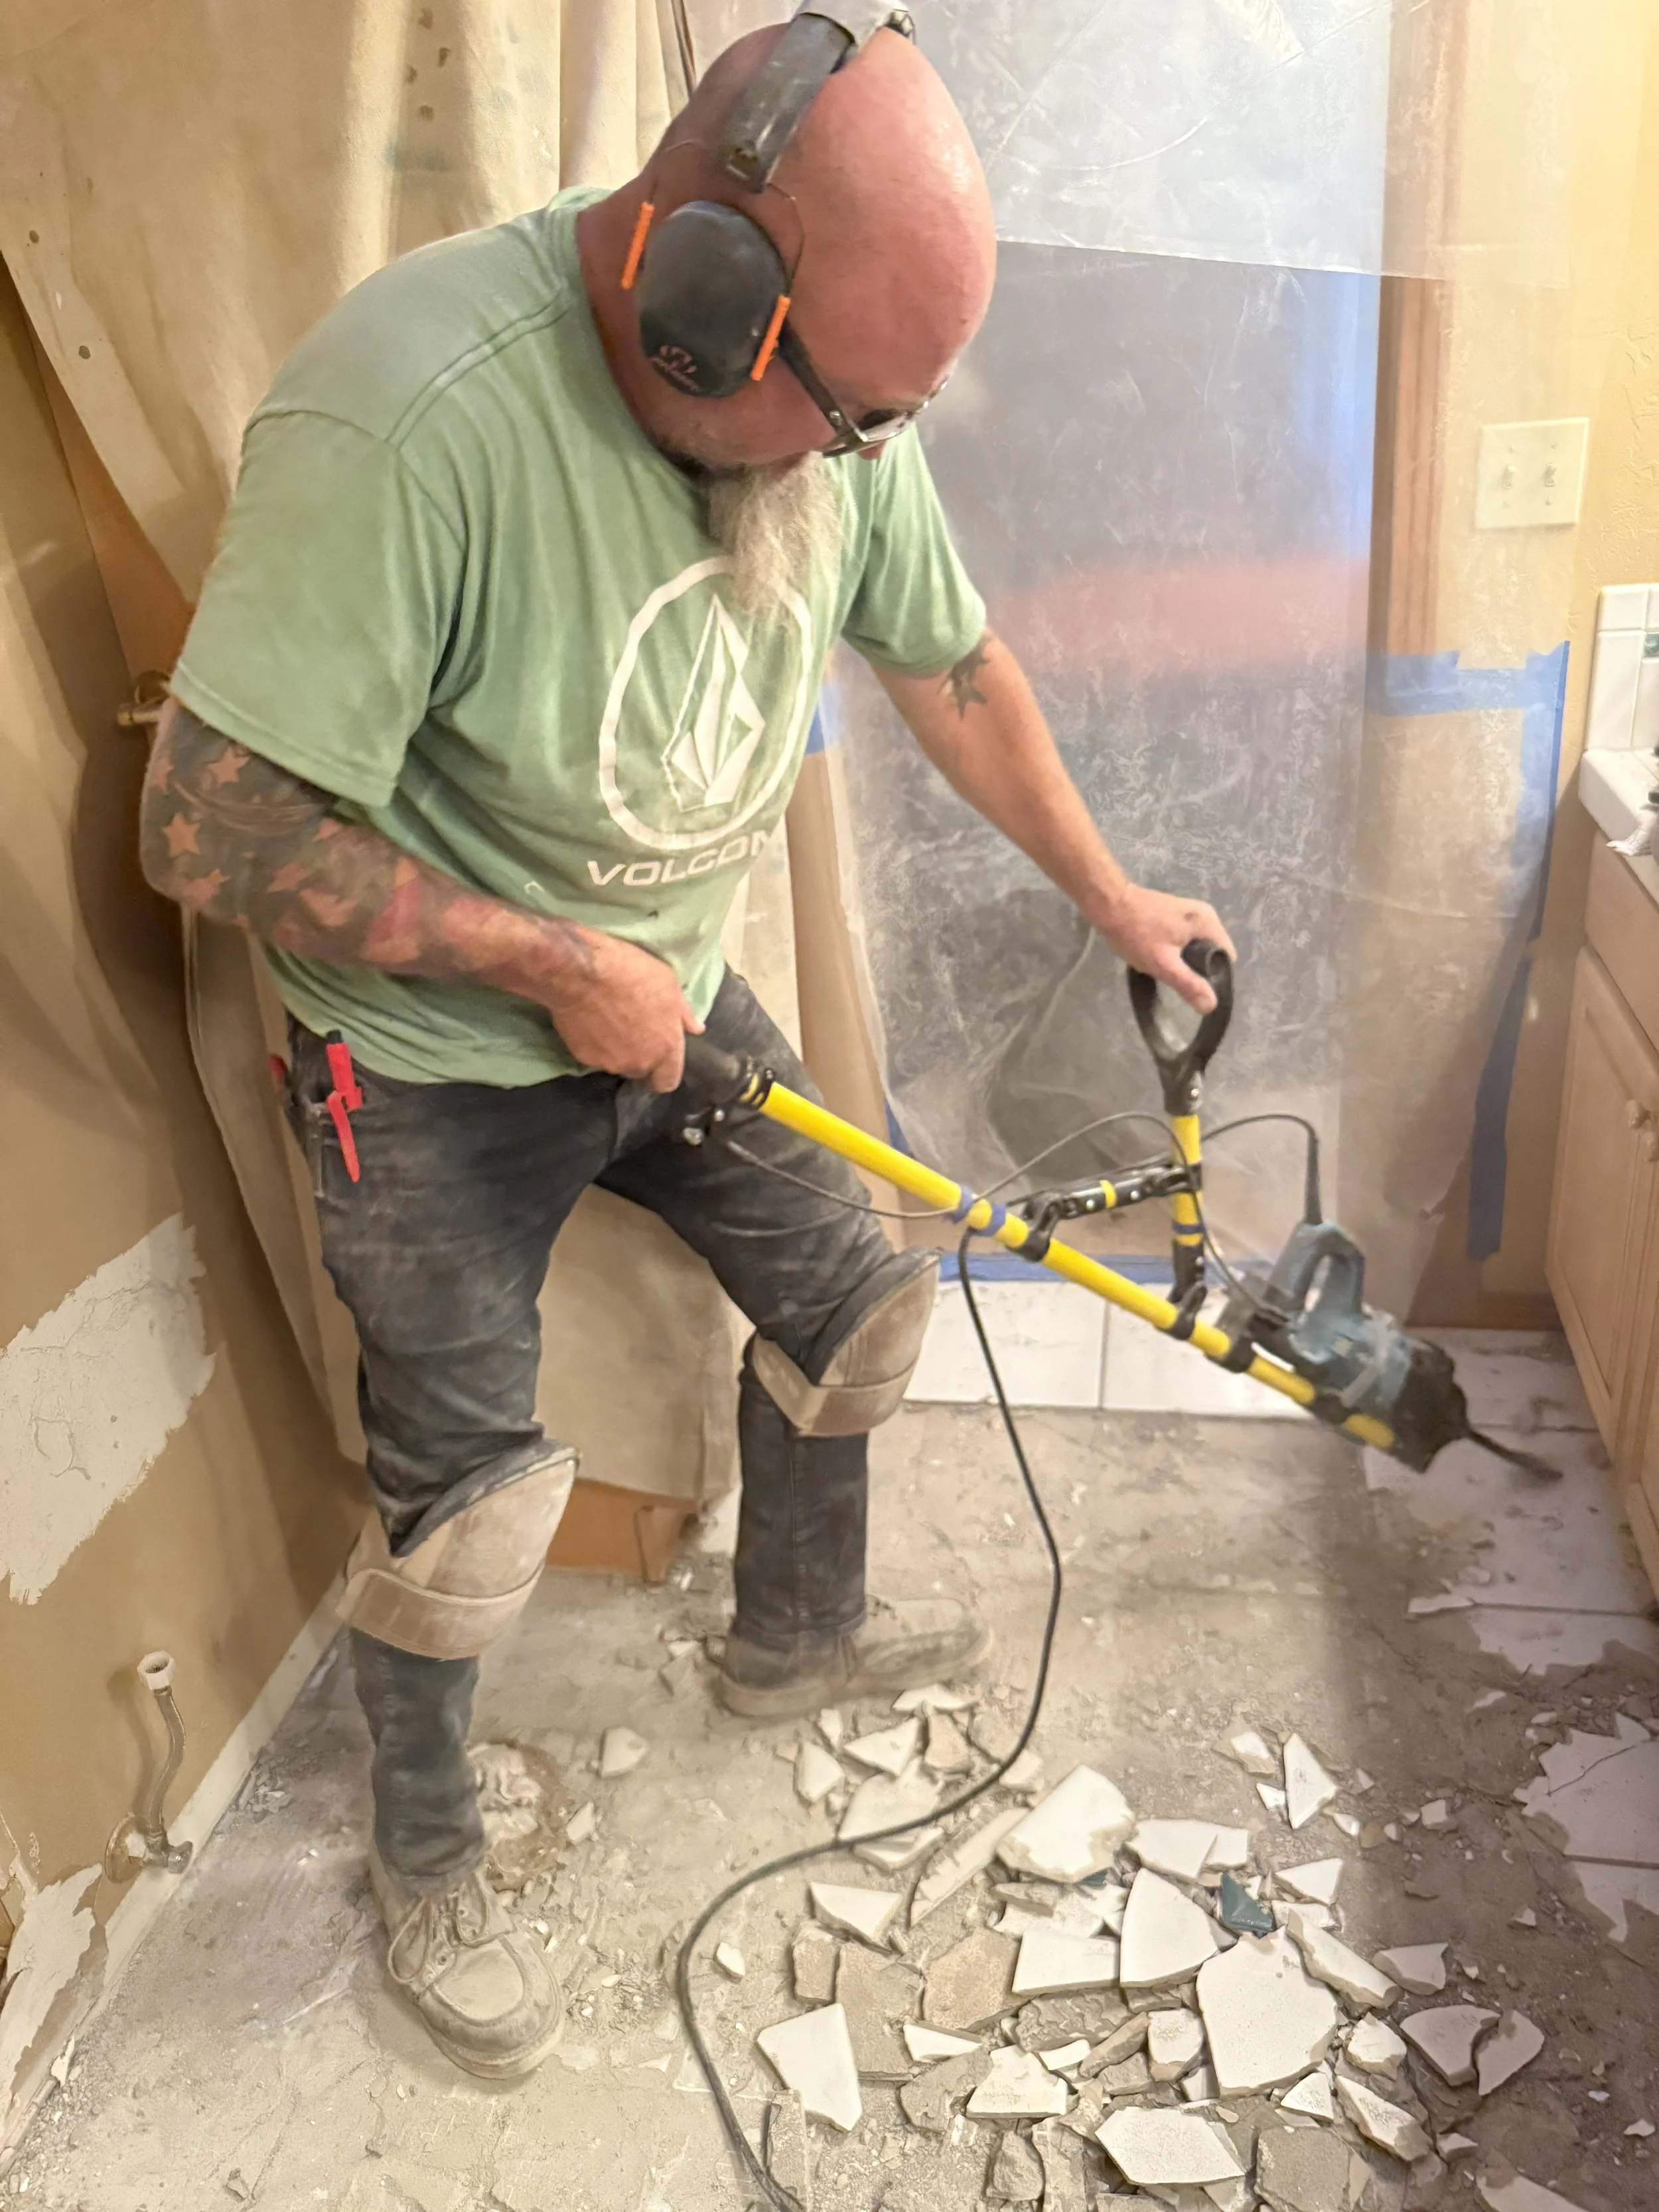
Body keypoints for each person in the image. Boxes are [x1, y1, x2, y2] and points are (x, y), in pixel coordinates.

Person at [139, 19, 1234, 2079]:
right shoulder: (409, 416)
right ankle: (429, 1855)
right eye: (847, 417)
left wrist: (1109, 892)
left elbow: (956, 659)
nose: (859, 462)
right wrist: (539, 959)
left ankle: (789, 1640)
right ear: (710, 304)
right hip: (434, 1051)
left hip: (654, 985)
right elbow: (200, 822)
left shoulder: (836, 427)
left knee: (858, 1302)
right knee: (467, 1495)